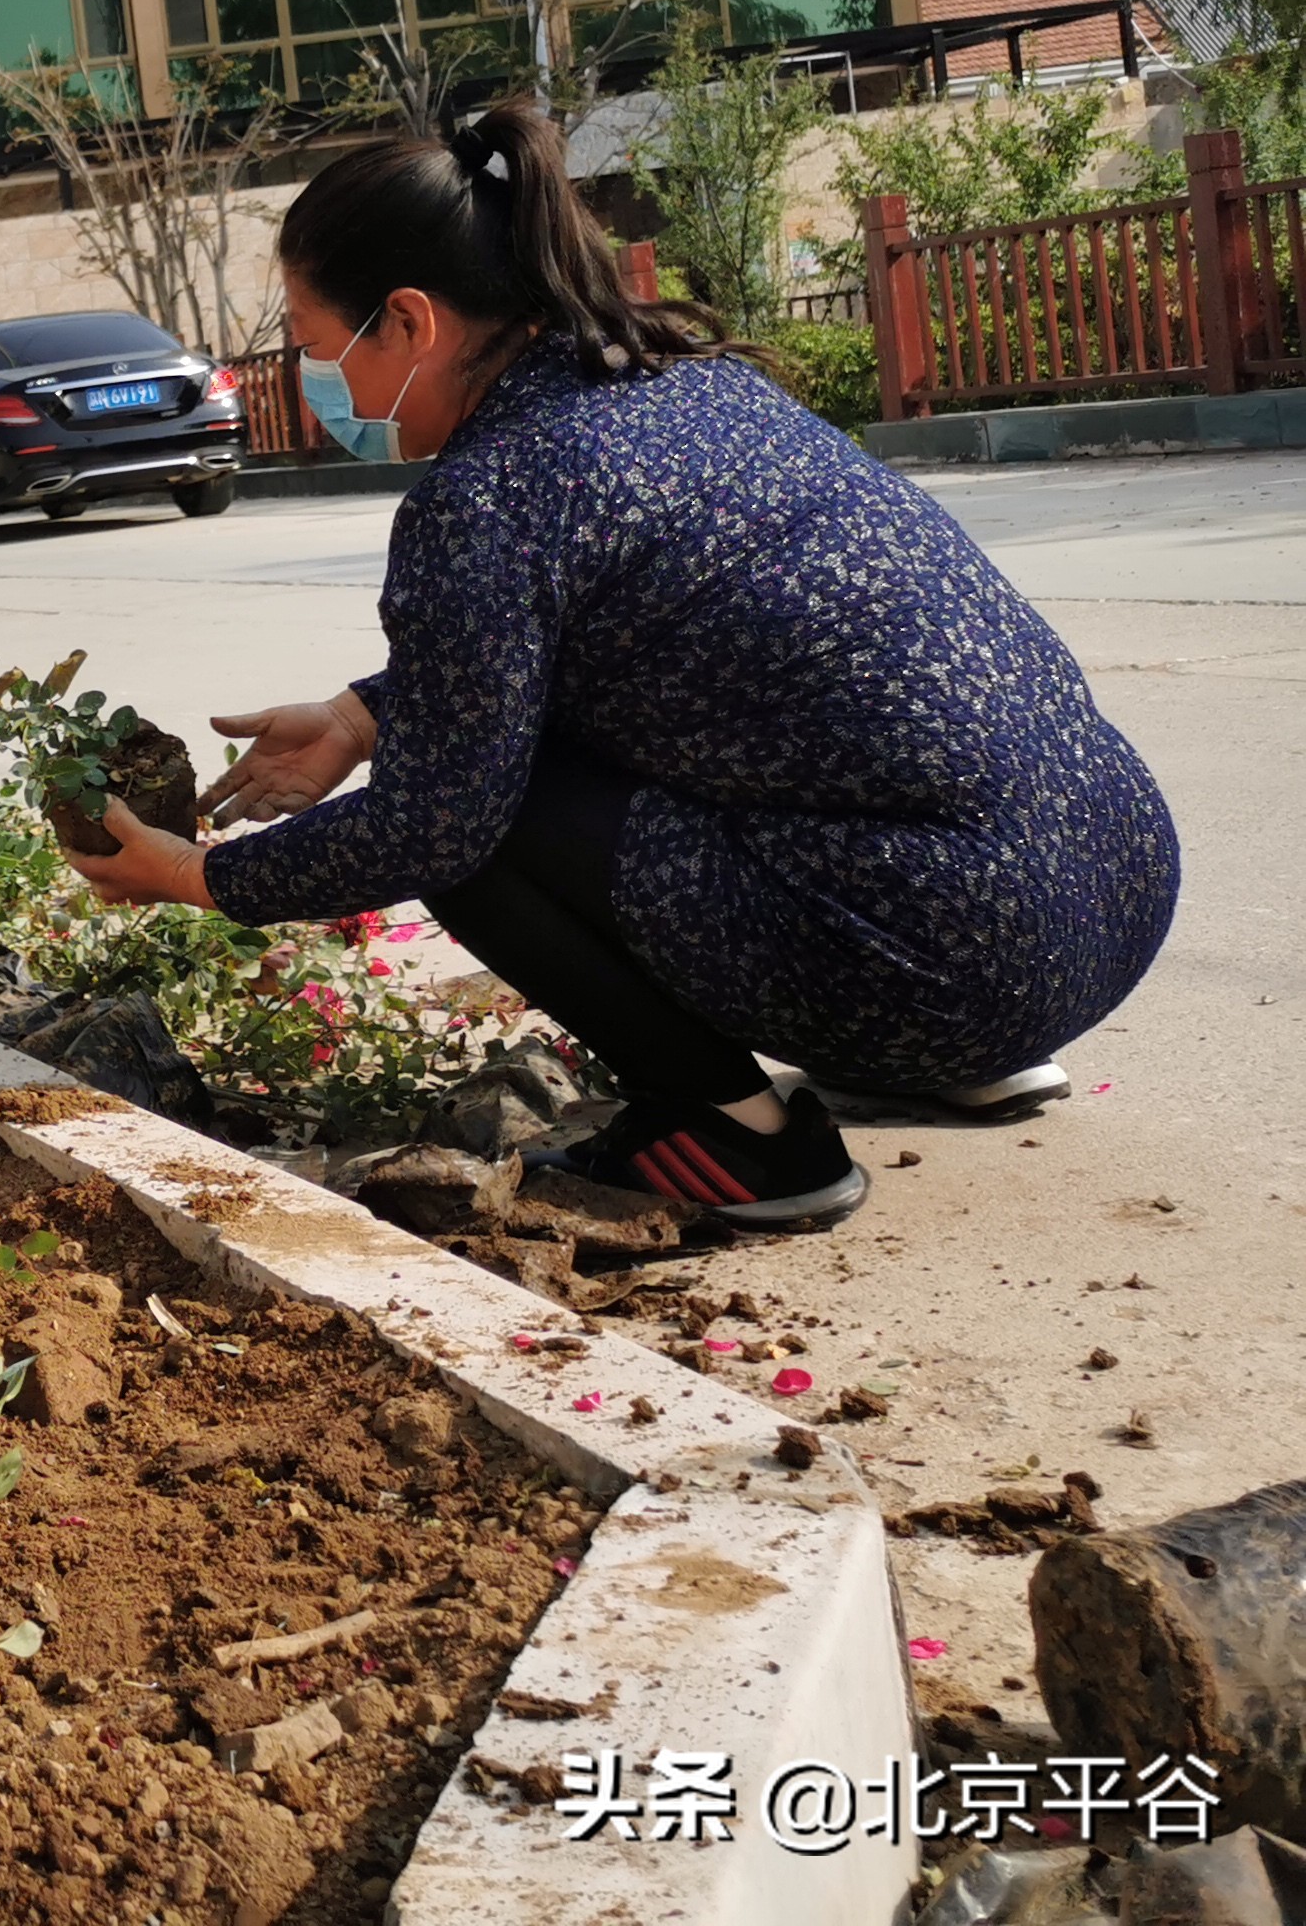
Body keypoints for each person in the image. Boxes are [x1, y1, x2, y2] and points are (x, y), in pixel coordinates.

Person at [65, 101, 1179, 1227]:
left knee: (467, 827)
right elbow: (635, 643)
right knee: (512, 762)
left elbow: (436, 824)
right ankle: (959, 1053)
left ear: (408, 322)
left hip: (956, 958)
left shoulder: (486, 496)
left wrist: (193, 876)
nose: (321, 389)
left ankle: (746, 1140)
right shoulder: (695, 385)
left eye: (315, 350)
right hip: (1112, 901)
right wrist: (362, 715)